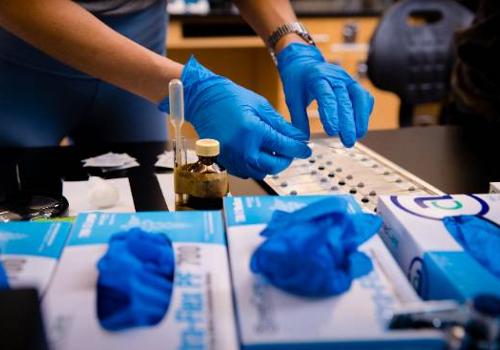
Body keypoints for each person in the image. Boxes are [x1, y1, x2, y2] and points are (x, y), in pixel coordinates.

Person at [0, 0, 374, 179]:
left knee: (153, 205)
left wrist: (291, 42)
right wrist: (194, 91)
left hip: (140, 38)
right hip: (22, 53)